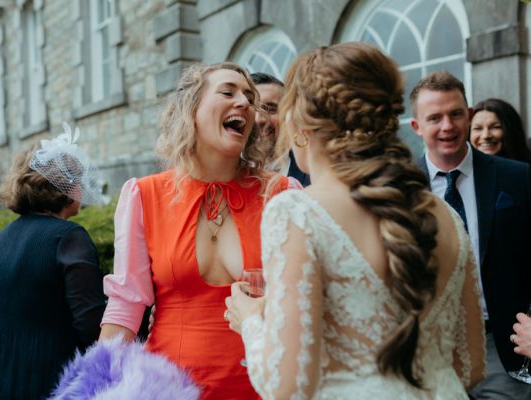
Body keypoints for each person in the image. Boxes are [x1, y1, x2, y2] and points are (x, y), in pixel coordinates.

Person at [225, 43, 485, 399]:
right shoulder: (449, 217)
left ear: (301, 124)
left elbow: (286, 387)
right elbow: (470, 367)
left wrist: (251, 320)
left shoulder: (298, 213)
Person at [99, 62, 300, 399]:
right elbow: (126, 305)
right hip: (169, 388)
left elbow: (302, 301)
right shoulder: (144, 196)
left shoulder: (283, 194)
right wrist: (98, 385)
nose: (245, 104)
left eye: (250, 98)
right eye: (228, 92)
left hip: (263, 387)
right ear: (191, 107)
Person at [410, 71, 531, 399]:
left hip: (504, 350)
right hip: (428, 353)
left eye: (455, 114)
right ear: (417, 127)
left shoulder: (518, 178)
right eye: (434, 118)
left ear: (470, 116)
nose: (447, 126)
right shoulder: (399, 189)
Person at [0, 124, 106, 400]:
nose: (82, 187)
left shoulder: (4, 236)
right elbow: (90, 326)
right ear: (64, 186)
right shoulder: (69, 238)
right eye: (78, 179)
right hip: (51, 375)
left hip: (1, 372)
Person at [250, 72, 311, 186]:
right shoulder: (224, 175)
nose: (259, 120)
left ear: (289, 115)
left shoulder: (311, 169)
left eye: (270, 108)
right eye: (252, 109)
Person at [470, 98, 531, 164]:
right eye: (477, 128)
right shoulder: (464, 171)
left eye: (495, 127)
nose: (486, 136)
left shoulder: (525, 171)